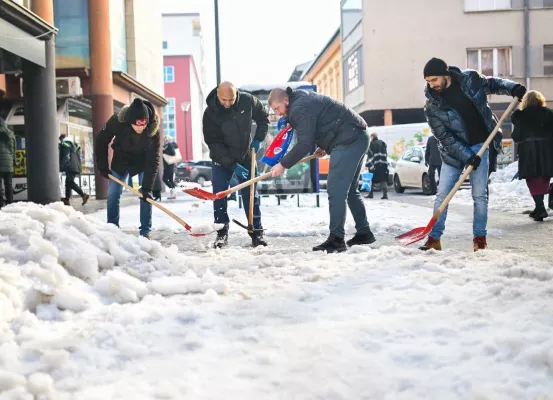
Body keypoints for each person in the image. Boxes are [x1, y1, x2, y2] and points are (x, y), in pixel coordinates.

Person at [421, 57, 525, 251]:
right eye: (428, 81)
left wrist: (512, 88)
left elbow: (493, 83)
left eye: (434, 79)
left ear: (445, 75)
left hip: (481, 144)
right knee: (442, 194)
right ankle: (434, 238)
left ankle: (479, 239)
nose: (431, 84)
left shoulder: (470, 79)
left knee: (479, 195)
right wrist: (466, 155)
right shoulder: (432, 106)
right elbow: (444, 137)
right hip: (452, 153)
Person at [268, 87, 375, 253]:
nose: (279, 113)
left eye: (277, 108)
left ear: (285, 101)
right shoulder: (300, 99)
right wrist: (323, 146)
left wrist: (283, 165)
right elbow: (321, 122)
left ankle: (337, 239)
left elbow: (304, 144)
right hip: (357, 134)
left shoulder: (298, 108)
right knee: (350, 190)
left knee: (336, 189)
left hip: (349, 139)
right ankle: (364, 232)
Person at [202, 81, 269, 248]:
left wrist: (258, 138)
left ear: (236, 95)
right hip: (222, 157)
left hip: (246, 154)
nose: (227, 103)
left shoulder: (247, 101)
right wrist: (232, 165)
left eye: (230, 100)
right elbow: (213, 143)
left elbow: (263, 118)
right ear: (217, 94)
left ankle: (256, 232)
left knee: (251, 193)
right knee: (220, 195)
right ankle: (221, 232)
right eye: (224, 100)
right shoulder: (210, 112)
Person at [95, 98, 161, 239]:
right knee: (113, 194)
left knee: (145, 197)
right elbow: (101, 140)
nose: (140, 128)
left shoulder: (153, 128)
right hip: (121, 160)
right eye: (137, 125)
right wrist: (103, 167)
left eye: (143, 124)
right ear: (130, 121)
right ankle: (112, 228)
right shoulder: (117, 121)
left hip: (142, 162)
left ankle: (145, 231)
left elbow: (153, 160)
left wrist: (147, 187)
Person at [511, 90, 553, 221]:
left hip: (529, 151)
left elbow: (517, 136)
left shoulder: (520, 116)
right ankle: (539, 207)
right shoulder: (549, 114)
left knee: (532, 179)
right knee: (544, 176)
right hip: (547, 150)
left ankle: (540, 208)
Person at [59, 134, 89, 206]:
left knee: (70, 182)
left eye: (60, 140)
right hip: (76, 166)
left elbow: (66, 157)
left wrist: (61, 167)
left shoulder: (65, 144)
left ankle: (83, 195)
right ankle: (67, 199)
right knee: (68, 182)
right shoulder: (74, 145)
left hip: (70, 167)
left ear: (62, 139)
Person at [366, 132, 389, 200]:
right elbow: (385, 154)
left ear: (372, 137)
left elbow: (370, 155)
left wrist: (369, 164)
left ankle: (371, 194)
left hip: (375, 165)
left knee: (372, 179)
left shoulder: (371, 144)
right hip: (383, 164)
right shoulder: (382, 143)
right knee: (383, 179)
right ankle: (385, 195)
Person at [0, 118, 15, 209]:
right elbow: (14, 149)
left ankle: (1, 203)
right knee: (8, 184)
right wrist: (13, 161)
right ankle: (10, 203)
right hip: (9, 162)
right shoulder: (10, 134)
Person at [162, 135, 180, 199]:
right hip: (171, 165)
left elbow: (172, 153)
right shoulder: (170, 145)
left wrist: (164, 151)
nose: (164, 140)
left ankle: (173, 191)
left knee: (164, 179)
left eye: (165, 139)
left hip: (168, 166)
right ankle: (173, 194)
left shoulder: (168, 145)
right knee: (171, 180)